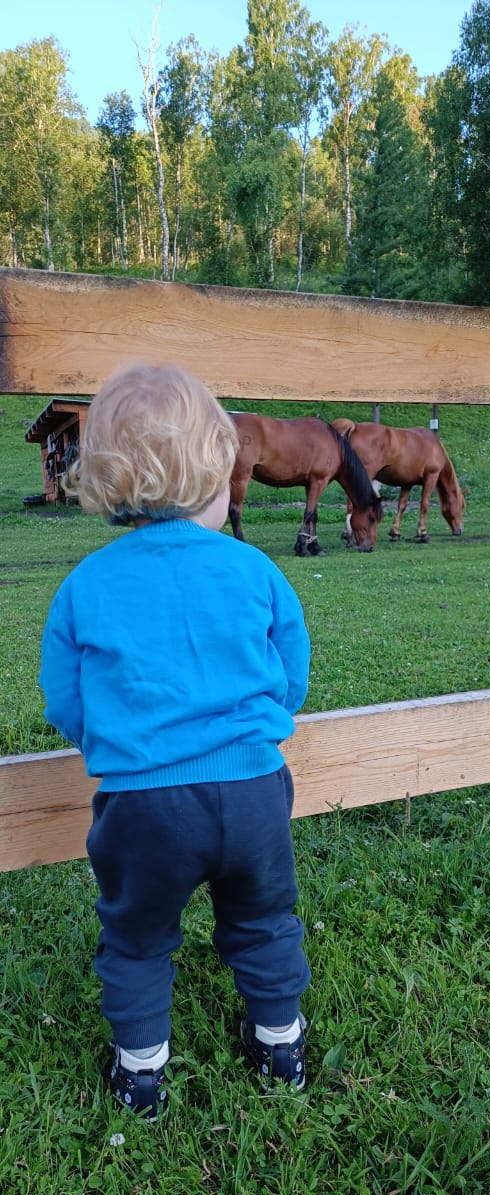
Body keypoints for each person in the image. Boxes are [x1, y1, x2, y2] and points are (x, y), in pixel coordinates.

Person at [40, 363, 311, 1120]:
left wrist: (114, 740)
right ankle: (280, 1043)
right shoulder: (255, 569)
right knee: (263, 920)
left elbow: (66, 699)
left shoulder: (86, 585)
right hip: (255, 789)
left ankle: (142, 1073)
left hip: (143, 803)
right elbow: (291, 674)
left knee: (137, 934)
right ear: (218, 476)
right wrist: (256, 727)